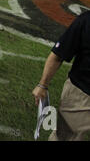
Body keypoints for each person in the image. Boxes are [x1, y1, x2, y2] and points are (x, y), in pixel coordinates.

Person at [32, 11, 90, 141]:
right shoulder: (86, 21)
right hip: (82, 93)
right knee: (65, 137)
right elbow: (58, 55)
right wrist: (42, 85)